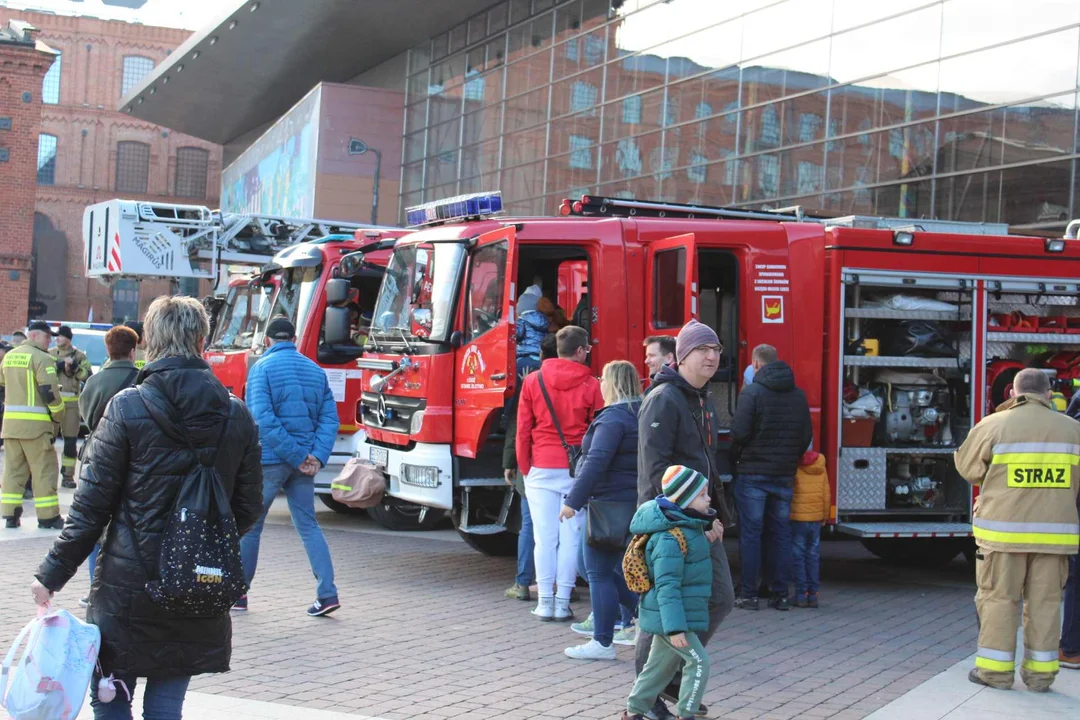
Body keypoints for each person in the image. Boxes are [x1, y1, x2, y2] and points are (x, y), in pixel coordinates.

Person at [30, 295, 263, 720]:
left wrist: (51, 575)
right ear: (201, 340)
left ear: (150, 340)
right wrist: (197, 542)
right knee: (167, 702)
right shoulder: (236, 415)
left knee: (110, 694)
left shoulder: (128, 407)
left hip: (128, 585)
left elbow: (90, 508)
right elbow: (247, 509)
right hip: (196, 585)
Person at [955, 368, 1080, 692]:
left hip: (1003, 535)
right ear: (1049, 393)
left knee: (999, 600)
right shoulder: (1072, 430)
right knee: (1046, 604)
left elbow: (969, 469)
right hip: (1055, 537)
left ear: (1013, 392)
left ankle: (995, 673)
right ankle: (1040, 678)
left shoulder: (994, 425)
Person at [636, 319, 734, 720]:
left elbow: (704, 465)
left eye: (716, 350)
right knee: (663, 607)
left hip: (699, 520)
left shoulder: (697, 397)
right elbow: (653, 469)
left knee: (719, 598)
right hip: (673, 523)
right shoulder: (665, 399)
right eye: (702, 350)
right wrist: (664, 524)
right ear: (682, 355)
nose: (711, 356)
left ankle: (668, 675)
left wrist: (718, 515)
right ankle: (650, 691)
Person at [237, 316, 341, 616]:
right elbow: (329, 419)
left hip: (270, 460)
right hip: (304, 464)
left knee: (252, 527)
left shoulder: (261, 369)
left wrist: (295, 455)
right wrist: (316, 457)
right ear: (293, 338)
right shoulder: (315, 371)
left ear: (268, 340)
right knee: (309, 526)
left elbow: (262, 419)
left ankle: (239, 595)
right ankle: (328, 593)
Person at [517, 325, 604, 621]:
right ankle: (562, 600)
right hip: (576, 470)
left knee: (544, 538)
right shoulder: (593, 385)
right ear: (579, 351)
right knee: (571, 538)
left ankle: (544, 602)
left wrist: (525, 468)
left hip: (540, 466)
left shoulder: (532, 381)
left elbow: (522, 430)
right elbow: (598, 431)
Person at [562, 360, 642, 660]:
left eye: (602, 379)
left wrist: (573, 501)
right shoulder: (640, 414)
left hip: (607, 503)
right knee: (607, 569)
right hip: (631, 500)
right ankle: (643, 617)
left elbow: (596, 460)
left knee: (596, 570)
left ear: (612, 383)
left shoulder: (612, 419)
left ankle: (603, 642)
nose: (599, 384)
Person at [624, 466, 715, 720]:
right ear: (684, 501)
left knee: (658, 668)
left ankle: (634, 711)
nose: (708, 499)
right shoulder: (670, 539)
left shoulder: (687, 527)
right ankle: (686, 714)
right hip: (671, 618)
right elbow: (667, 586)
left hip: (672, 616)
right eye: (702, 495)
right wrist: (675, 628)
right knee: (698, 663)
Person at [731, 343, 812, 612]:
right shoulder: (799, 396)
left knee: (751, 535)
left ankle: (750, 594)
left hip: (753, 473)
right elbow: (805, 437)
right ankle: (780, 594)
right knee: (780, 534)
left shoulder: (752, 393)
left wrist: (741, 456)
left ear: (755, 364)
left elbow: (740, 433)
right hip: (783, 474)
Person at [77, 325, 141, 600]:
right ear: (134, 350)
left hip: (96, 454)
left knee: (95, 522)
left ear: (107, 350)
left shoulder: (94, 381)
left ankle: (96, 589)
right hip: (132, 457)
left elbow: (86, 417)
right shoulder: (142, 379)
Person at [504, 333, 558, 601]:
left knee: (530, 525)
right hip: (566, 466)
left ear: (541, 354)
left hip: (535, 464)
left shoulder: (531, 382)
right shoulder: (586, 381)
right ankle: (560, 586)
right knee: (563, 529)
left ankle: (523, 583)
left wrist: (511, 463)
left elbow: (518, 427)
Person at [1, 320, 65, 529]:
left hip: (11, 427)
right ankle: (48, 518)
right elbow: (49, 392)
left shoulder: (9, 357)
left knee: (13, 471)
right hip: (36, 429)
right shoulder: (43, 358)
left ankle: (10, 515)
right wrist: (59, 415)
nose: (51, 341)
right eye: (48, 337)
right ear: (35, 336)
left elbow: (4, 384)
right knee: (44, 471)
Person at [50, 325, 93, 489]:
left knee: (69, 441)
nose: (57, 339)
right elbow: (43, 373)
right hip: (53, 403)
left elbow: (88, 376)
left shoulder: (80, 355)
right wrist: (60, 366)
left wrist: (74, 367)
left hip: (72, 405)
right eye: (56, 336)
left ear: (68, 338)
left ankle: (68, 476)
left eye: (60, 336)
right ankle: (47, 474)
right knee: (48, 440)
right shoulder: (50, 354)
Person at [790, 450, 829, 608]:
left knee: (798, 556)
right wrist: (825, 516)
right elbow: (826, 494)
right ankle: (813, 595)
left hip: (798, 519)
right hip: (815, 519)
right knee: (813, 555)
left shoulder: (796, 467)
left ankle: (801, 594)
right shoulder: (821, 466)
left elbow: (791, 493)